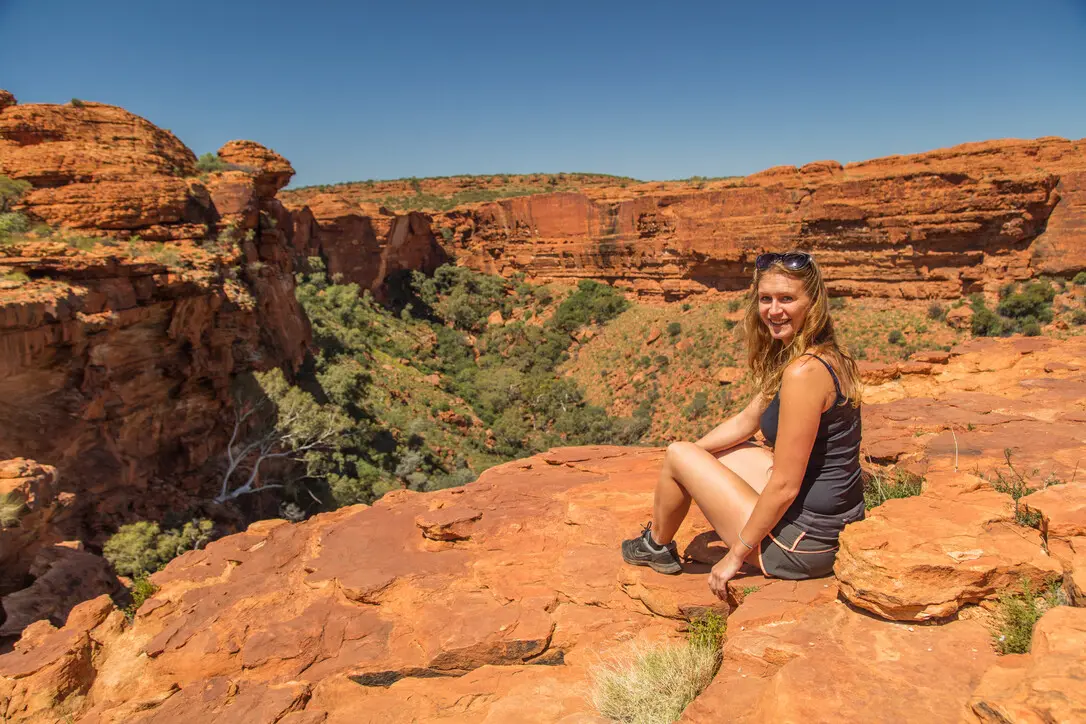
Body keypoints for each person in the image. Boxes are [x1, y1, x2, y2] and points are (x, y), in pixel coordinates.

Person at [621, 251, 863, 599]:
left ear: (813, 303)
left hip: (804, 545)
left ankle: (655, 546)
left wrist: (735, 555)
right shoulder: (818, 354)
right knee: (715, 453)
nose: (774, 310)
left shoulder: (803, 373)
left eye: (786, 299)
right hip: (835, 526)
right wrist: (693, 461)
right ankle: (680, 476)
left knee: (678, 453)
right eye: (766, 299)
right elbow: (748, 421)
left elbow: (785, 486)